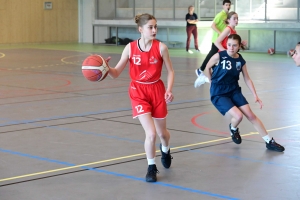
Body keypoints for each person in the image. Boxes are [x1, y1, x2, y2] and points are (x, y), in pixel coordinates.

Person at [106, 13, 175, 182]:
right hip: (138, 91)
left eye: (155, 26)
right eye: (150, 27)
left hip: (157, 90)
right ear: (140, 29)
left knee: (162, 134)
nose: (154, 30)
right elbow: (115, 73)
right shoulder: (130, 48)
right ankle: (151, 167)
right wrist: (106, 68)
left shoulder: (161, 48)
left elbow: (171, 71)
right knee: (150, 134)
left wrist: (169, 89)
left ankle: (165, 149)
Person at [203, 34, 285, 152]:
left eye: (234, 45)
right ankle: (233, 128)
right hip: (219, 92)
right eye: (229, 44)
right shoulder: (219, 56)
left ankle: (269, 141)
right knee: (238, 116)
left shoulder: (240, 61)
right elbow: (207, 67)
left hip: (234, 89)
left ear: (239, 46)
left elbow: (247, 78)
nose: (231, 47)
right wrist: (211, 82)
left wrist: (255, 95)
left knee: (251, 115)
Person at [194, 0, 231, 88]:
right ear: (223, 6)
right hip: (216, 39)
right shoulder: (220, 15)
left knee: (216, 56)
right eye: (226, 5)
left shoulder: (227, 16)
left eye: (229, 5)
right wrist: (220, 33)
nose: (228, 6)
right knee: (212, 54)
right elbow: (212, 25)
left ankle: (213, 73)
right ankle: (200, 70)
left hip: (221, 40)